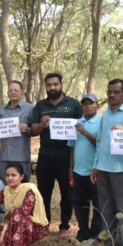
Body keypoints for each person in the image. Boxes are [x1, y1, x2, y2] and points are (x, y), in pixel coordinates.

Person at [90, 79, 123, 246]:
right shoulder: (105, 115)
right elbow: (99, 142)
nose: (112, 95)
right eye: (109, 91)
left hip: (120, 169)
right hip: (103, 168)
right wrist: (96, 165)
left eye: (116, 92)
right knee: (106, 208)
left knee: (121, 209)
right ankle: (108, 243)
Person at [30, 73, 82, 237]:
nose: (52, 87)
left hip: (67, 156)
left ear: (61, 85)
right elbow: (33, 130)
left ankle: (64, 225)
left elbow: (83, 125)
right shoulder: (40, 105)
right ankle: (44, 223)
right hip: (45, 155)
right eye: (49, 85)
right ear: (45, 87)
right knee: (43, 192)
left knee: (68, 192)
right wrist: (41, 124)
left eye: (55, 84)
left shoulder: (73, 104)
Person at [67, 93, 102, 242]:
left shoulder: (101, 122)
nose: (88, 106)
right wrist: (71, 170)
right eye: (85, 104)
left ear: (97, 106)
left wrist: (84, 132)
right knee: (79, 204)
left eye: (91, 103)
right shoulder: (76, 122)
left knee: (98, 205)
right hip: (78, 171)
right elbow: (72, 147)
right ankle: (83, 233)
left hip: (95, 171)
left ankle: (95, 235)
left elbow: (101, 145)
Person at [0, 80, 34, 180]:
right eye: (10, 90)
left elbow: (35, 130)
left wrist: (27, 129)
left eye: (16, 90)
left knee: (23, 186)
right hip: (4, 156)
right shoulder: (2, 110)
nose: (13, 92)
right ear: (7, 93)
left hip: (21, 156)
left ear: (22, 92)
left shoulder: (30, 109)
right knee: (4, 185)